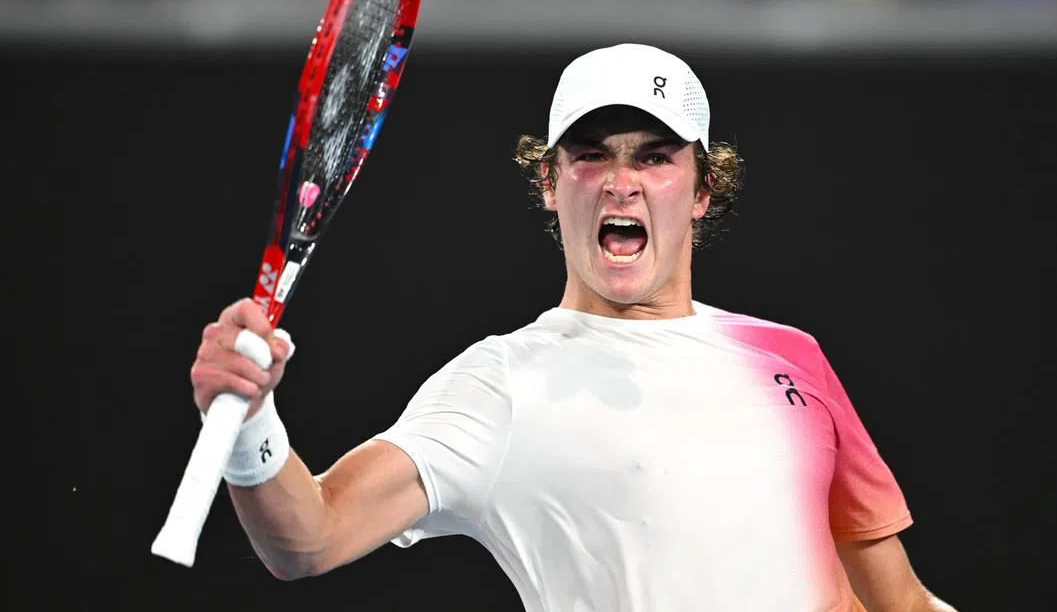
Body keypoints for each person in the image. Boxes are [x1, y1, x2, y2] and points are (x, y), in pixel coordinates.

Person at [190, 43, 958, 611]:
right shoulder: (501, 386)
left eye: (654, 158)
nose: (621, 182)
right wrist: (250, 423)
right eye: (591, 156)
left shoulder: (792, 359)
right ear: (551, 183)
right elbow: (310, 537)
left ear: (702, 189)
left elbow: (900, 601)